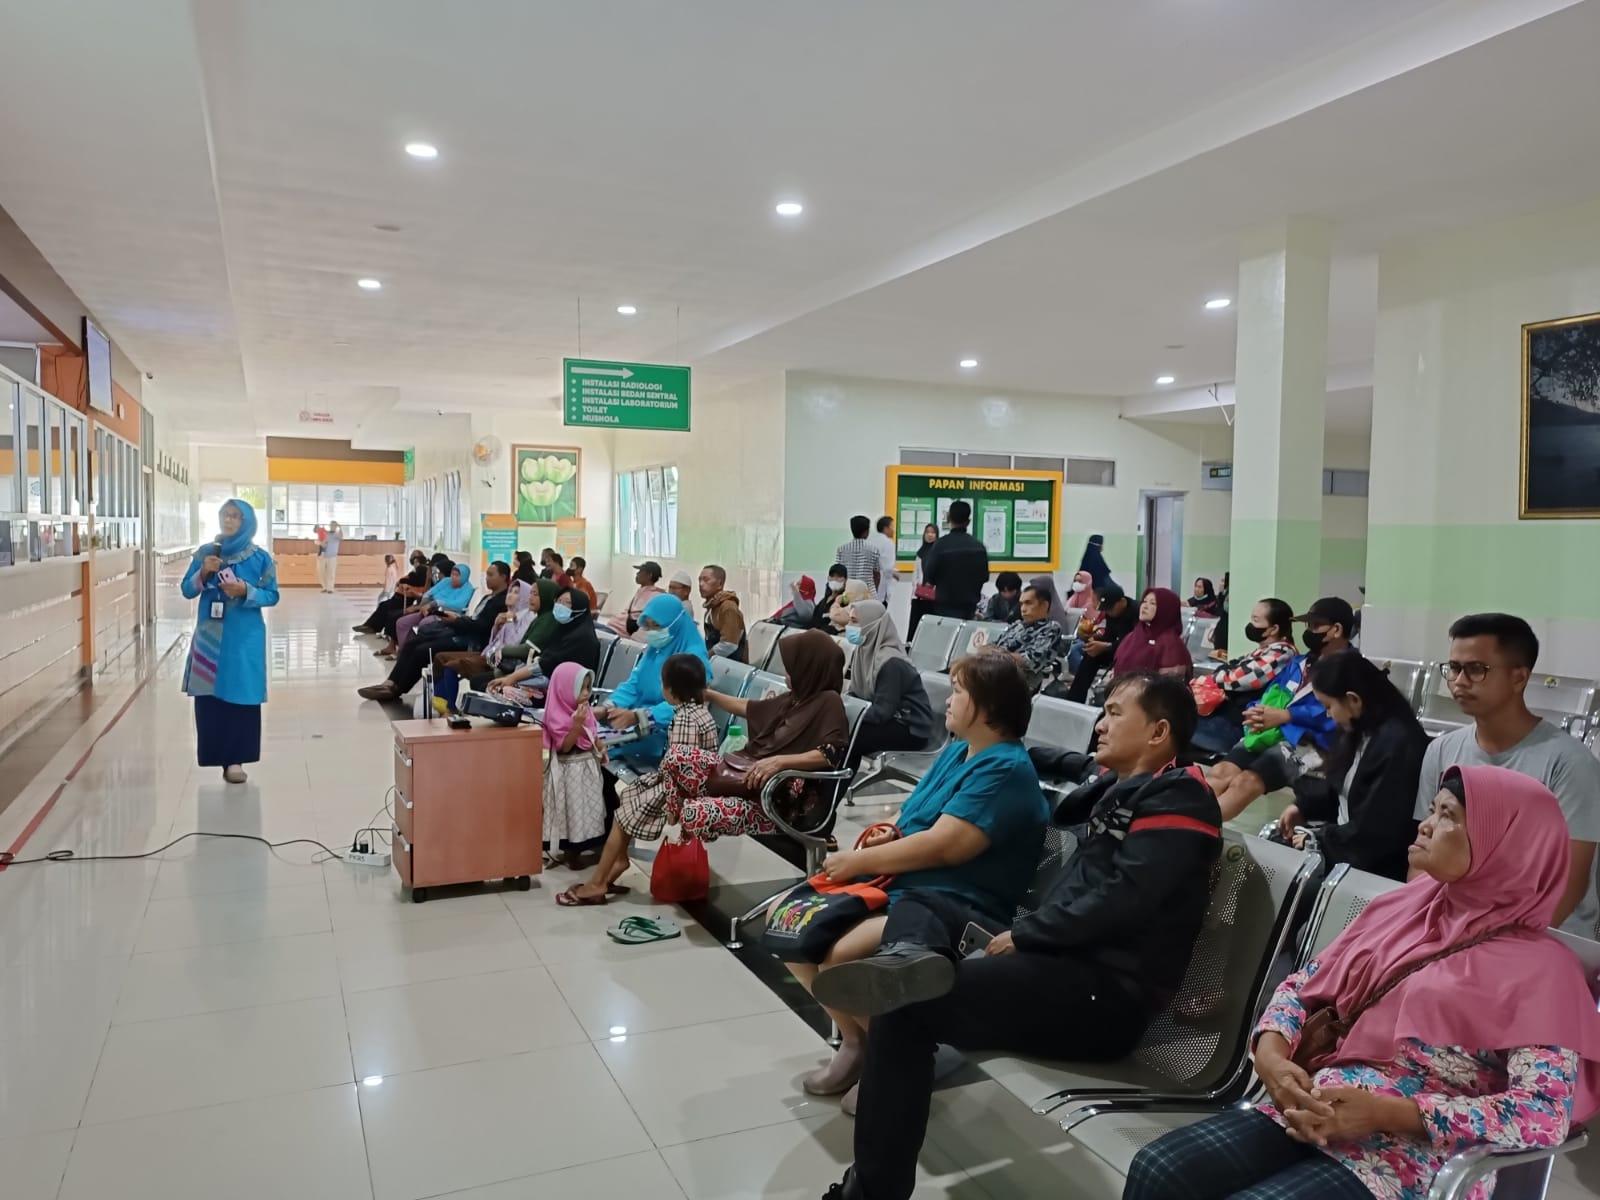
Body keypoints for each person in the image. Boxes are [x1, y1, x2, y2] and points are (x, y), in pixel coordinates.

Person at [817, 673, 1221, 1200]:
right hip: (1064, 963)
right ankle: (910, 956)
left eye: (1115, 713)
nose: (1100, 724)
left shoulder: (1181, 799)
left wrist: (1028, 934)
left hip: (1105, 994)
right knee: (924, 899)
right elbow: (1063, 763)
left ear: (1158, 732)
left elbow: (1125, 901)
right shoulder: (1124, 786)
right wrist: (1030, 751)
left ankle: (869, 1194)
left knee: (905, 1007)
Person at [1127, 764, 1600, 1200]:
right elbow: (1303, 986)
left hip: (1419, 1155)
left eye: (1449, 816)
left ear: (1507, 845)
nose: (1426, 825)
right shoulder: (1403, 911)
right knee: (1161, 1169)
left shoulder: (1543, 972)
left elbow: (1541, 1115)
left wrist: (1388, 1113)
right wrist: (1271, 1054)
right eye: (1433, 810)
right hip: (1319, 1104)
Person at [794, 648, 1049, 1108]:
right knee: (794, 930)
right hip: (911, 886)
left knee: (839, 956)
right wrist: (890, 832)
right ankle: (857, 1044)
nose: (947, 701)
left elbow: (946, 846)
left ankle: (898, 1056)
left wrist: (859, 863)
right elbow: (915, 817)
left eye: (957, 691)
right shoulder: (958, 751)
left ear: (987, 706)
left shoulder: (1005, 769)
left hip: (955, 902)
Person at [1412, 613, 1600, 937]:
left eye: (1476, 669)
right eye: (1454, 668)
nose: (1459, 681)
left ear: (1519, 678)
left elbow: (1566, 886)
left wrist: (1489, 947)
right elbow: (1423, 862)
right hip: (1454, 930)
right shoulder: (1442, 750)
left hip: (1540, 941)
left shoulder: (1569, 764)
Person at [556, 653, 721, 905]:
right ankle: (618, 862)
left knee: (623, 815)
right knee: (627, 798)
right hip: (679, 781)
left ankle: (597, 883)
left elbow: (683, 768)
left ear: (671, 691)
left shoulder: (684, 719)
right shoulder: (700, 713)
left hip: (678, 788)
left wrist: (674, 806)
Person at [670, 630, 851, 841]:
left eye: (791, 668)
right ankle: (680, 819)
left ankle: (687, 832)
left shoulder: (829, 702)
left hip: (776, 798)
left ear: (808, 669)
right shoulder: (795, 698)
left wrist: (780, 762)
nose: (786, 674)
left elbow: (830, 753)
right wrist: (709, 695)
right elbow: (749, 708)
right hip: (751, 777)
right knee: (676, 758)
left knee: (693, 813)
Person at [1273, 649, 1428, 881]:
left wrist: (1319, 839)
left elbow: (1377, 831)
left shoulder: (1400, 744)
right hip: (1345, 849)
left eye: (1328, 706)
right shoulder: (1360, 732)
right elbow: (1341, 789)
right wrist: (1302, 807)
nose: (1328, 715)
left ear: (1353, 700)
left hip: (1372, 870)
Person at [1206, 597, 1353, 821]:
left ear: (1336, 630)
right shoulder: (1300, 663)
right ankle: (1184, 822)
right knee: (1221, 772)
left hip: (1311, 742)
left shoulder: (1352, 669)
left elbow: (1338, 717)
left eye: (1315, 626)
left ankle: (1199, 829)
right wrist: (1256, 711)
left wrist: (1286, 716)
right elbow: (1272, 693)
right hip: (1270, 732)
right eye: (1307, 625)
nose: (1308, 632)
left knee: (1246, 782)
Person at [181, 499, 280, 784]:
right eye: (225, 515)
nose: (228, 520)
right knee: (210, 695)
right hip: (210, 636)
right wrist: (203, 572)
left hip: (243, 638)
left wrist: (245, 591)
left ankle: (236, 760)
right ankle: (215, 754)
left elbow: (272, 595)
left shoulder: (260, 558)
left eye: (235, 516)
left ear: (246, 522)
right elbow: (187, 589)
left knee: (241, 692)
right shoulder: (206, 553)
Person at [357, 560, 510, 701]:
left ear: (503, 577)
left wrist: (456, 621)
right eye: (486, 575)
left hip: (471, 642)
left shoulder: (501, 602)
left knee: (423, 650)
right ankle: (391, 682)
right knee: (413, 642)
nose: (487, 578)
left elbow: (483, 626)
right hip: (461, 631)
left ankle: (398, 689)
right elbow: (474, 619)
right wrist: (455, 620)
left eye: (491, 575)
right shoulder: (488, 598)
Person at [593, 593, 712, 769]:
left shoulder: (694, 658)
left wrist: (638, 716)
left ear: (675, 623)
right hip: (636, 726)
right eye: (648, 626)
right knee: (582, 736)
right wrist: (608, 708)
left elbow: (688, 706)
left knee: (591, 747)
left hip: (664, 734)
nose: (652, 632)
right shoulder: (656, 649)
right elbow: (634, 684)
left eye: (656, 626)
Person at [1190, 597, 1298, 753]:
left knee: (1178, 724)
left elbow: (1240, 678)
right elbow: (1233, 667)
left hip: (1236, 727)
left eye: (1256, 620)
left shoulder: (1281, 653)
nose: (1251, 624)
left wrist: (1211, 679)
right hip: (1227, 717)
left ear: (1273, 629)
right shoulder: (1264, 650)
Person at [843, 601, 934, 764]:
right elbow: (855, 695)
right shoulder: (864, 651)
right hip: (890, 720)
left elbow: (881, 712)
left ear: (872, 624)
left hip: (910, 728)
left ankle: (838, 778)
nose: (848, 626)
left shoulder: (890, 662)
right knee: (839, 729)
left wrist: (846, 710)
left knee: (853, 736)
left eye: (854, 621)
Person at [429, 577, 535, 712]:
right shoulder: (506, 615)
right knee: (440, 657)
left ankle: (449, 709)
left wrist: (509, 622)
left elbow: (513, 644)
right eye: (510, 591)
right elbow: (493, 642)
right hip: (489, 653)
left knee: (451, 666)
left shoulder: (526, 619)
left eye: (516, 593)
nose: (510, 595)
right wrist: (497, 626)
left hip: (500, 660)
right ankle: (440, 703)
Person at [540, 662, 609, 868]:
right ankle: (572, 853)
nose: (587, 693)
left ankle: (585, 847)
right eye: (581, 688)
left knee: (587, 811)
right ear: (564, 690)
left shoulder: (584, 710)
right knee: (572, 813)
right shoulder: (556, 715)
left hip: (586, 770)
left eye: (588, 687)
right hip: (569, 774)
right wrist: (576, 725)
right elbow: (565, 747)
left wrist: (600, 747)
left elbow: (593, 733)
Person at [486, 586, 602, 702]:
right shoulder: (564, 629)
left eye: (567, 603)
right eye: (559, 601)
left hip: (562, 693)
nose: (560, 606)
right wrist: (512, 678)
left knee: (502, 690)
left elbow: (545, 665)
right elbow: (545, 662)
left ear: (580, 608)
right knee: (495, 686)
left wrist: (512, 678)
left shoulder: (582, 638)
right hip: (548, 683)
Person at [1061, 581, 1136, 703]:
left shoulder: (1136, 612)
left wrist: (1106, 646)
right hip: (1115, 648)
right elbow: (1109, 636)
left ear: (1122, 601)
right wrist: (1093, 639)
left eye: (1110, 609)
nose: (1109, 613)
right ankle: (1075, 698)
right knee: (1090, 655)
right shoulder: (1110, 612)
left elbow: (1134, 643)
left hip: (1132, 652)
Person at [389, 559, 476, 656]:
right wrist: (424, 604)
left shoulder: (467, 588)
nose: (453, 577)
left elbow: (458, 605)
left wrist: (435, 603)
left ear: (464, 576)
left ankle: (417, 654)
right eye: (452, 574)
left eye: (457, 575)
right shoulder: (446, 581)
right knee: (402, 623)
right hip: (428, 610)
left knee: (424, 624)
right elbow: (430, 593)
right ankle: (403, 653)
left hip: (444, 615)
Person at [921, 501, 988, 619]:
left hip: (944, 609)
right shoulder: (979, 547)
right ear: (968, 521)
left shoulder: (940, 546)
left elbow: (929, 577)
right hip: (969, 609)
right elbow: (984, 577)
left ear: (948, 518)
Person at [993, 583, 1064, 693]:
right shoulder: (1017, 625)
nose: (1023, 609)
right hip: (995, 672)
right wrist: (994, 652)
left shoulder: (1051, 628)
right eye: (1021, 604)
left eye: (1028, 603)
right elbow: (993, 645)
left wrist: (997, 653)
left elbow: (1029, 660)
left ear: (1044, 605)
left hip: (1020, 681)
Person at [1110, 588, 1192, 682]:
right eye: (1144, 601)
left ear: (1166, 609)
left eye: (1152, 603)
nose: (1145, 606)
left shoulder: (1170, 644)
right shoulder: (1133, 636)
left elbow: (1169, 684)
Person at [354, 549, 427, 634]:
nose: (411, 558)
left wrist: (403, 582)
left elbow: (413, 581)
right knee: (383, 605)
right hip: (401, 597)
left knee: (386, 607)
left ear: (416, 559)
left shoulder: (421, 569)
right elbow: (407, 579)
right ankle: (371, 626)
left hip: (404, 599)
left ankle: (372, 627)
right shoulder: (417, 569)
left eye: (412, 556)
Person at [699, 564, 747, 661]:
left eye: (706, 580)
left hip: (731, 666)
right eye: (699, 580)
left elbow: (729, 645)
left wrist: (705, 658)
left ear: (720, 584)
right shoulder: (711, 607)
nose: (701, 584)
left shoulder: (728, 607)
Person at [607, 561, 664, 635]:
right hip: (615, 627)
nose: (637, 574)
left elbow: (637, 617)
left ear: (649, 575)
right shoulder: (643, 591)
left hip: (620, 631)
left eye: (640, 571)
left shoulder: (653, 595)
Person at [1062, 569, 1101, 674]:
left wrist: (1073, 611)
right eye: (1075, 581)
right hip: (1074, 635)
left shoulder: (1092, 601)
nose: (1076, 584)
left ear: (1088, 583)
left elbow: (1089, 617)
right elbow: (1066, 610)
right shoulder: (1073, 598)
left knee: (1073, 649)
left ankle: (1081, 674)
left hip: (1089, 636)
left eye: (1080, 581)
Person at [907, 523, 939, 640]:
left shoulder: (938, 553)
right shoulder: (920, 553)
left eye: (933, 532)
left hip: (933, 597)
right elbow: (915, 574)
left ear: (937, 535)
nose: (930, 535)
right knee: (915, 625)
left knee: (930, 626)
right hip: (919, 596)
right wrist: (915, 590)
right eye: (927, 532)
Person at [836, 515, 881, 593]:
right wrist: (875, 590)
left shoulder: (841, 549)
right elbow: (876, 575)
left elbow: (838, 573)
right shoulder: (874, 549)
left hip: (848, 592)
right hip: (868, 592)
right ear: (866, 531)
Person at [814, 564, 851, 629]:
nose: (835, 579)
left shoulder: (845, 601)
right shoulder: (823, 600)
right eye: (832, 576)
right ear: (828, 578)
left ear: (845, 580)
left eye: (839, 576)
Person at [870, 516, 897, 603]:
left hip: (869, 587)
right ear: (886, 529)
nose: (894, 530)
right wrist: (896, 575)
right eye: (892, 527)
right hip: (882, 587)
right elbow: (888, 568)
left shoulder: (870, 541)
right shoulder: (888, 543)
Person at [316, 520, 342, 592]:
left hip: (332, 556)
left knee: (331, 573)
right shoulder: (326, 533)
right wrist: (320, 542)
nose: (332, 526)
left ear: (336, 526)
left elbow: (341, 536)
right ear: (329, 526)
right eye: (331, 525)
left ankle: (330, 588)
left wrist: (340, 528)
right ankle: (324, 587)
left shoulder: (337, 534)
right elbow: (323, 543)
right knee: (321, 572)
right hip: (322, 555)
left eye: (334, 525)